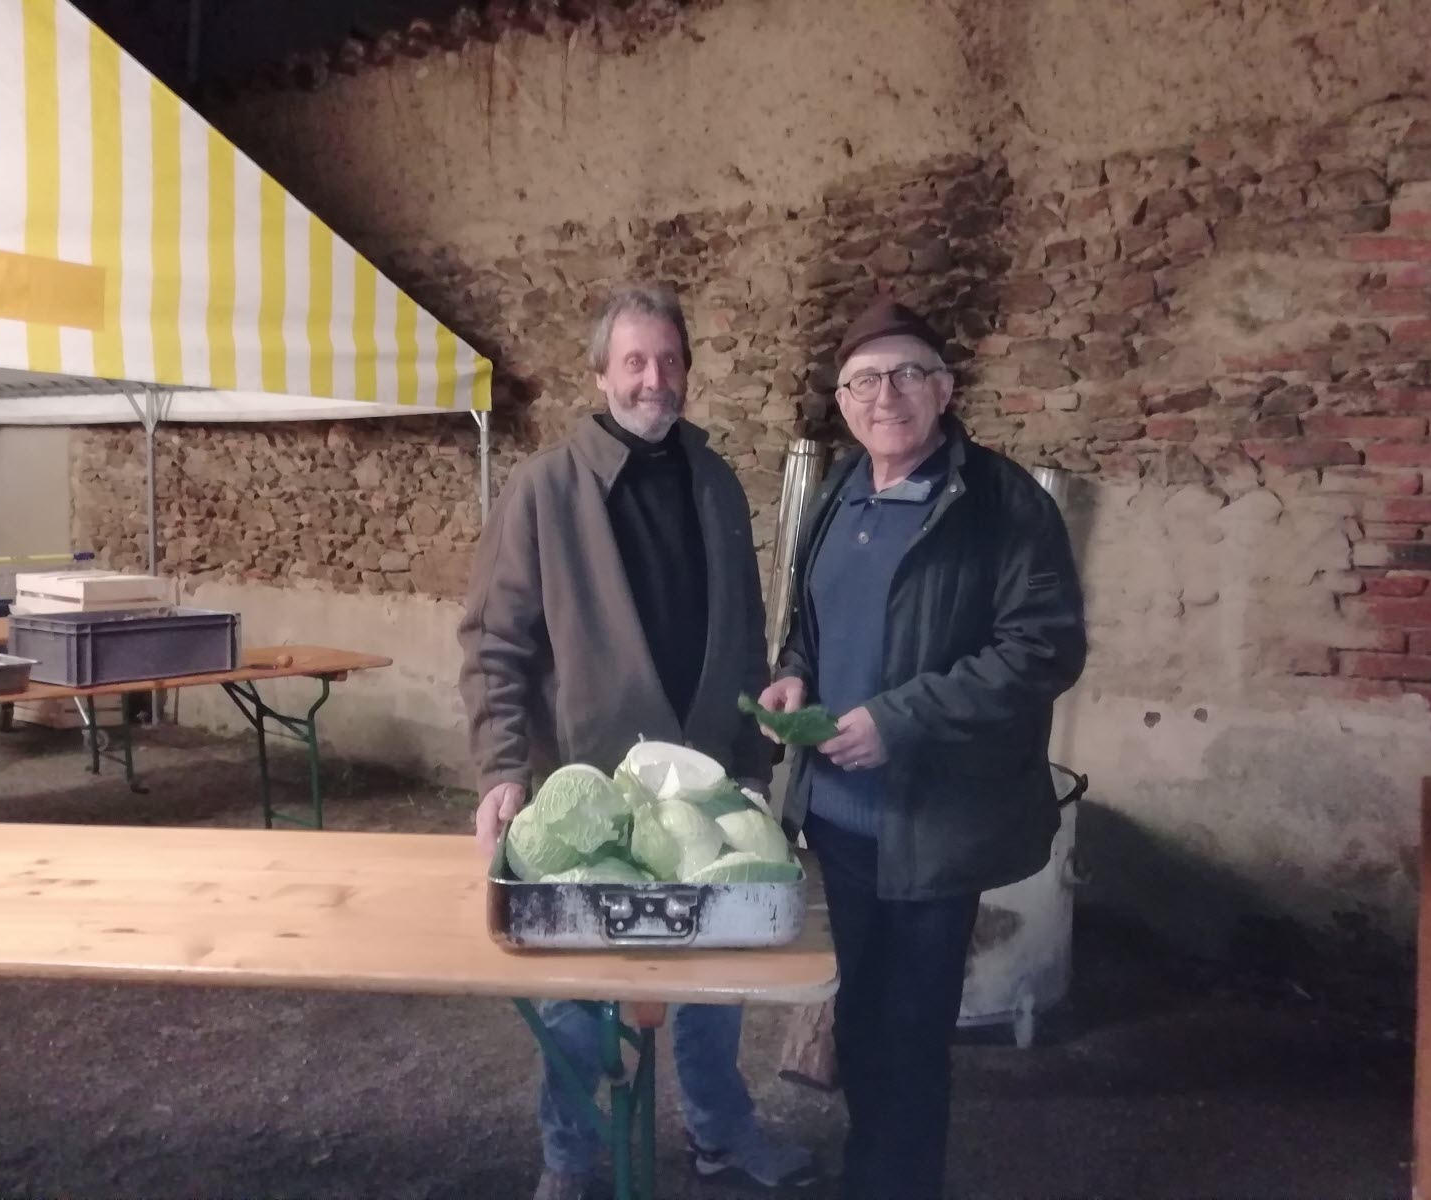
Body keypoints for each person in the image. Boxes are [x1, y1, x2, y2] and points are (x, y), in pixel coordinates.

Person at [459, 283, 816, 1200]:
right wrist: (501, 769)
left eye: (668, 360)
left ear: (687, 370)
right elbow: (496, 643)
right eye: (633, 362)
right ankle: (570, 1158)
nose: (653, 379)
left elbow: (741, 629)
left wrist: (751, 762)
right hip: (589, 793)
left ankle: (718, 1133)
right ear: (600, 374)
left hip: (704, 785)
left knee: (713, 985)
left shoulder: (716, 482)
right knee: (578, 1001)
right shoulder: (545, 490)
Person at [759, 297, 1087, 1200]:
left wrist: (898, 721)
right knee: (860, 1020)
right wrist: (794, 675)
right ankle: (874, 1173)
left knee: (907, 1038)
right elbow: (810, 623)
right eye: (864, 381)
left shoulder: (1002, 502)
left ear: (944, 389)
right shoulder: (839, 491)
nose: (886, 395)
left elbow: (1042, 649)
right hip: (837, 818)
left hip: (935, 824)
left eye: (908, 374)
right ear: (843, 402)